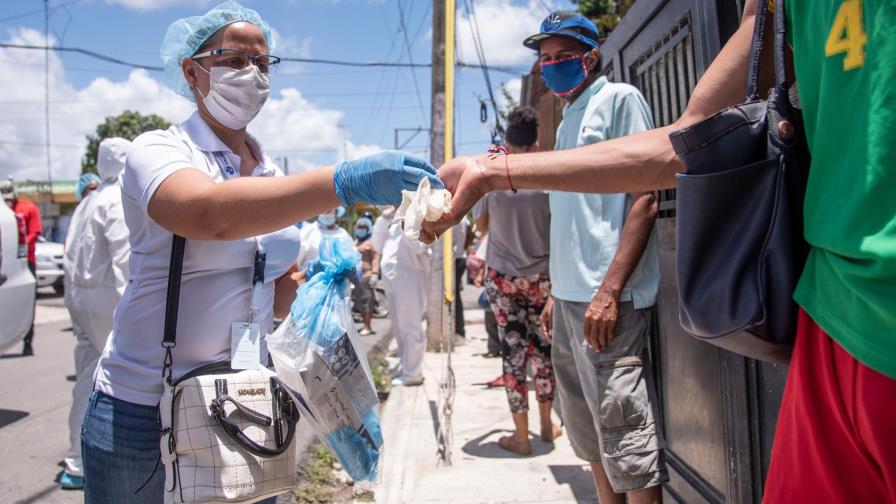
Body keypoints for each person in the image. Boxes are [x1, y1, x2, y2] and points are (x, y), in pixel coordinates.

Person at [428, 1, 896, 502]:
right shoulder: (783, 13)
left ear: (590, 58)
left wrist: (608, 286)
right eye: (545, 58)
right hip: (832, 320)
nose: (552, 65)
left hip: (868, 333)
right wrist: (493, 175)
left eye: (563, 54)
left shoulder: (620, 99)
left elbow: (651, 187)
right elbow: (681, 142)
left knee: (625, 430)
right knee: (590, 429)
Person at [79, 3, 441, 502]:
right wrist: (345, 182)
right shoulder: (159, 151)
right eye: (232, 59)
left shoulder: (270, 176)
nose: (251, 75)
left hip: (243, 407)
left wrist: (321, 286)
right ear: (192, 70)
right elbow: (209, 215)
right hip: (145, 413)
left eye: (262, 62)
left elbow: (272, 296)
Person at [472, 106, 562, 456]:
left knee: (512, 353)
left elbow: (481, 227)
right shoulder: (546, 178)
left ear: (506, 138)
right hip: (542, 277)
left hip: (502, 277)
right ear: (535, 142)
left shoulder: (493, 175)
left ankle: (520, 437)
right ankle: (546, 425)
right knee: (543, 352)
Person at [60, 138, 132, 490]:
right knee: (119, 382)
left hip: (78, 295)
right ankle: (109, 461)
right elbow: (124, 259)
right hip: (106, 297)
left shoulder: (87, 201)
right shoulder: (118, 199)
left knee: (86, 378)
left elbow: (69, 253)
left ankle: (76, 462)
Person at [379, 211, 431, 386]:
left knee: (410, 324)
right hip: (391, 274)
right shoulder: (390, 218)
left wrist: (407, 218)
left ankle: (413, 372)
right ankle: (406, 367)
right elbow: (378, 245)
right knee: (399, 326)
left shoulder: (417, 214)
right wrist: (384, 219)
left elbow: (419, 246)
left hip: (410, 273)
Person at [1, 178, 42, 356]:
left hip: (25, 261)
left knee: (28, 302)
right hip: (5, 264)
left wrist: (19, 245)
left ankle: (28, 341)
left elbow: (34, 232)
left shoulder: (27, 208)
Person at [297, 205, 353, 274]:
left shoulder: (344, 234)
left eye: (329, 211)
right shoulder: (308, 231)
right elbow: (296, 260)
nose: (325, 212)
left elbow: (352, 260)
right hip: (308, 281)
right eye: (323, 210)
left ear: (337, 212)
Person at [353, 216, 380, 336]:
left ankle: (368, 327)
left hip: (366, 276)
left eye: (364, 228)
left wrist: (375, 273)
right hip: (356, 277)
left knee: (367, 301)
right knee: (359, 302)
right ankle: (364, 325)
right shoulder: (356, 241)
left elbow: (375, 258)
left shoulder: (371, 242)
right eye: (359, 227)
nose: (361, 230)